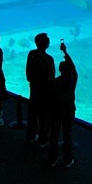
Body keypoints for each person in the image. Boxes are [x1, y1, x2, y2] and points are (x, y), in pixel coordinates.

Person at [47, 39, 77, 167]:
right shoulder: (72, 79)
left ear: (59, 70)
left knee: (54, 133)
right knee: (67, 133)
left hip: (56, 110)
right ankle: (67, 159)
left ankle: (52, 159)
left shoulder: (54, 82)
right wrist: (65, 52)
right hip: (69, 109)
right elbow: (73, 66)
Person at [25, 32, 55, 146]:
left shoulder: (31, 54)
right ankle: (43, 139)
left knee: (32, 114)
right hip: (45, 92)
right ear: (47, 44)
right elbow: (51, 77)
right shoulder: (49, 59)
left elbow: (29, 74)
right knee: (44, 116)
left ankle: (31, 136)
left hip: (34, 90)